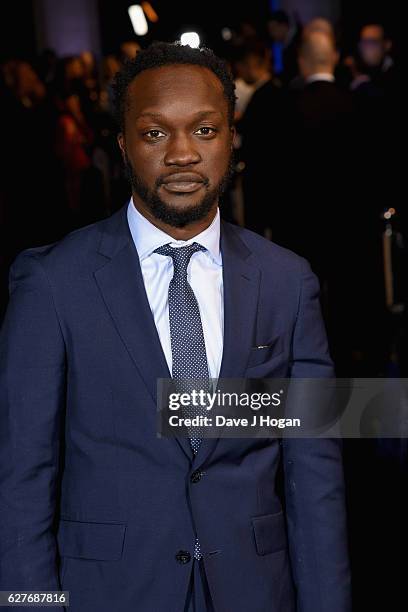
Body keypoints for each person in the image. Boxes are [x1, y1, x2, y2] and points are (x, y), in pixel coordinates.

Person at [0, 41, 351, 612]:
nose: (183, 153)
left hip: (254, 592)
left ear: (232, 139)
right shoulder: (52, 284)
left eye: (205, 131)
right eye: (156, 133)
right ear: (122, 145)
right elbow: (21, 481)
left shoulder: (288, 283)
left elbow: (316, 479)